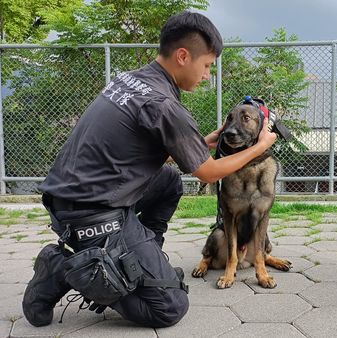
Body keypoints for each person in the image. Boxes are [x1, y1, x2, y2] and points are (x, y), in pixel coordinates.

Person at [21, 11, 277, 328]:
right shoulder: (164, 104)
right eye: (207, 65)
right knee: (169, 307)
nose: (208, 75)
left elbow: (134, 153)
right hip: (91, 214)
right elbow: (210, 174)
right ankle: (68, 268)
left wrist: (200, 144)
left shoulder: (131, 80)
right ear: (183, 56)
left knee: (169, 180)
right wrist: (260, 146)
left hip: (75, 198)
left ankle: (139, 263)